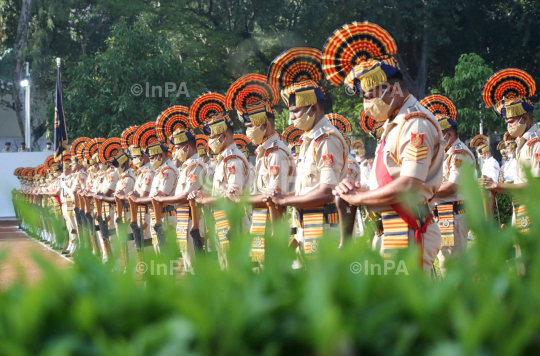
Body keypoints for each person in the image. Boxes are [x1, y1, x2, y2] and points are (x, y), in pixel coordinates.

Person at [323, 21, 444, 271]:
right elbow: (389, 181)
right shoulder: (395, 124)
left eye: (369, 96)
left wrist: (360, 197)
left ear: (392, 89)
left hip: (407, 229)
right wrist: (357, 188)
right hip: (389, 229)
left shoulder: (415, 124)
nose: (366, 104)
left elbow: (409, 184)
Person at [266, 46, 347, 262]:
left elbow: (328, 192)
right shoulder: (310, 140)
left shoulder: (326, 138)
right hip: (306, 226)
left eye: (295, 112)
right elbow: (308, 191)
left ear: (312, 107)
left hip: (323, 228)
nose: (291, 119)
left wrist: (286, 202)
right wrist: (285, 197)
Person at [226, 73, 294, 264]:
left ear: (264, 125)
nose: (248, 131)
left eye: (250, 126)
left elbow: (273, 197)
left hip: (273, 227)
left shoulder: (276, 153)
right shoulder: (265, 153)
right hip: (261, 224)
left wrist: (240, 199)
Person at [187, 92, 250, 269]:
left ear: (222, 134)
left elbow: (233, 196)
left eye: (212, 136)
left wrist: (205, 199)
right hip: (222, 222)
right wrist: (202, 194)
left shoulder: (233, 160)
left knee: (234, 272)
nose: (210, 141)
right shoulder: (223, 160)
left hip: (234, 224)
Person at [420, 94, 475, 276]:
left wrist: (425, 192)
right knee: (446, 262)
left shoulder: (458, 153)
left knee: (453, 265)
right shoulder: (445, 153)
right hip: (445, 213)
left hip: (454, 214)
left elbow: (452, 186)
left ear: (448, 135)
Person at [479, 68, 538, 234]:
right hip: (521, 210)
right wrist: (493, 186)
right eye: (507, 122)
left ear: (525, 119)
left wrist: (497, 185)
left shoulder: (536, 143)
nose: (508, 126)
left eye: (511, 121)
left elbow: (535, 185)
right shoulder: (522, 144)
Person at [153, 127, 206, 270]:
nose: (175, 153)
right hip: (183, 218)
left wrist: (162, 200)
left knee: (194, 263)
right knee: (187, 260)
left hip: (192, 218)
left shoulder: (196, 166)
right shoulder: (186, 167)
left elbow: (185, 196)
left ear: (187, 147)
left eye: (177, 148)